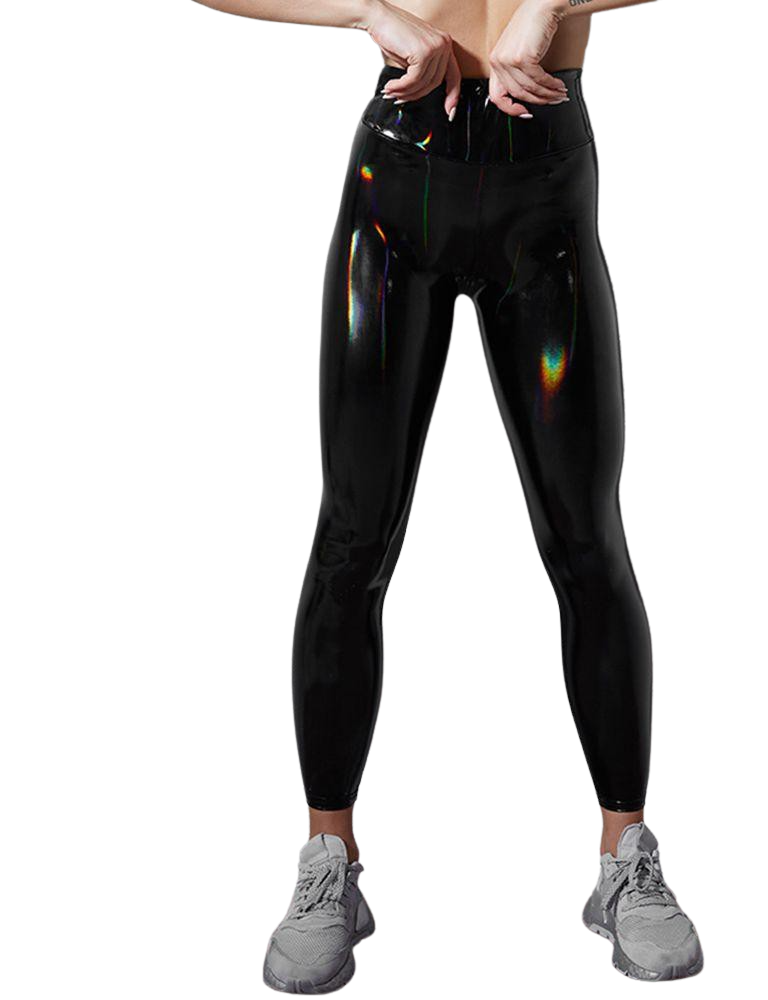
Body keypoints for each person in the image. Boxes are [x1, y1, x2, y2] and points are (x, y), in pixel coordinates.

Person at [193, 0, 704, 988]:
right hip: (397, 180)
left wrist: (548, 4)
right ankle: (328, 859)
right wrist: (366, 11)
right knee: (352, 534)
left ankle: (624, 862)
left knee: (586, 536)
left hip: (544, 181)